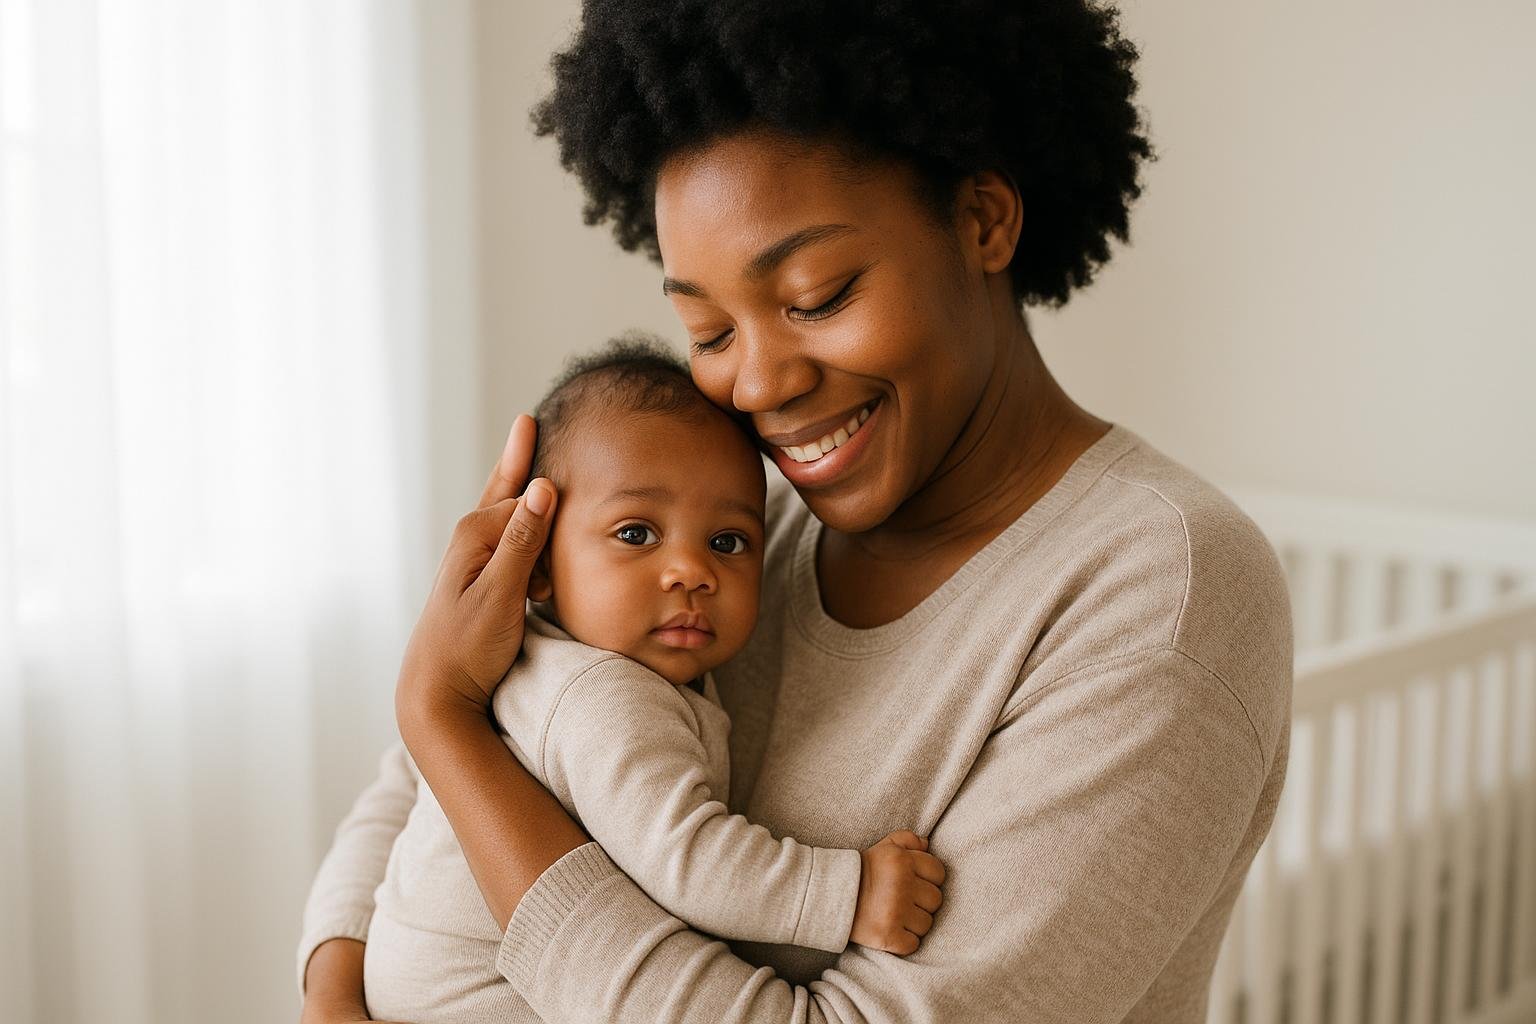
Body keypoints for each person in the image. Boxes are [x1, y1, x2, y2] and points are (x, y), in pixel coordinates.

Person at [299, 1, 1294, 1021]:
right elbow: (452, 769)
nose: (759, 383)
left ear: (984, 220)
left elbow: (460, 746)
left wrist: (437, 716)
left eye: (816, 296)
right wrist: (334, 986)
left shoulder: (1163, 589)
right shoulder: (739, 528)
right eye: (709, 327)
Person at [355, 340, 945, 1024]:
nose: (690, 570)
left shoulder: (535, 663)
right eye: (636, 533)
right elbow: (688, 859)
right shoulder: (604, 696)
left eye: (727, 542)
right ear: (535, 565)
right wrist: (848, 892)